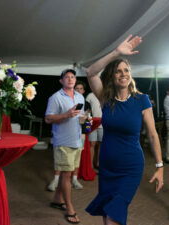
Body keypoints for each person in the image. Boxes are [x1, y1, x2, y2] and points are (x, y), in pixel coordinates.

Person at [85, 35, 164, 225]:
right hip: (108, 164)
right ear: (112, 76)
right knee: (107, 210)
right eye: (118, 71)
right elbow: (91, 73)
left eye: (126, 70)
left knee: (115, 214)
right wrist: (116, 53)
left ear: (130, 74)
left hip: (131, 166)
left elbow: (152, 135)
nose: (123, 74)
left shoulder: (141, 100)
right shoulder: (106, 99)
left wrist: (160, 167)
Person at [45, 69, 85, 224]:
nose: (70, 79)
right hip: (63, 141)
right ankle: (70, 208)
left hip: (76, 140)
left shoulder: (80, 96)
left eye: (73, 77)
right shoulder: (55, 97)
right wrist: (66, 115)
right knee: (67, 175)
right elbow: (48, 118)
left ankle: (57, 199)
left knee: (65, 174)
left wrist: (84, 119)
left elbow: (78, 118)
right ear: (61, 81)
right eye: (67, 77)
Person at [47, 81, 86, 192]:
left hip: (80, 135)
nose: (78, 90)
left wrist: (87, 127)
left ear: (83, 90)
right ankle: (55, 180)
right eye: (76, 88)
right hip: (66, 135)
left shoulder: (86, 102)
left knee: (75, 161)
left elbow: (89, 121)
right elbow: (51, 118)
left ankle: (74, 179)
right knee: (63, 163)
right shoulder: (63, 99)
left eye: (80, 88)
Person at [85, 92, 102, 169]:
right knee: (92, 144)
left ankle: (97, 164)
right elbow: (86, 110)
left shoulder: (107, 94)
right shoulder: (90, 95)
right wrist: (88, 125)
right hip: (92, 124)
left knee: (100, 145)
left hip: (103, 124)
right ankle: (90, 166)